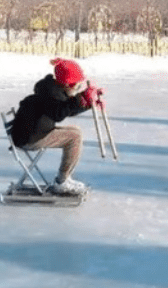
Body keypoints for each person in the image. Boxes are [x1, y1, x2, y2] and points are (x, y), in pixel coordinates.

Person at [10, 58, 102, 195]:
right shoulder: (51, 94)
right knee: (74, 136)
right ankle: (62, 181)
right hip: (30, 138)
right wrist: (81, 99)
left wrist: (87, 104)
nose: (77, 88)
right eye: (76, 86)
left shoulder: (50, 88)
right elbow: (59, 113)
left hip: (33, 132)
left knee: (75, 131)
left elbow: (66, 109)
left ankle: (64, 179)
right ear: (67, 84)